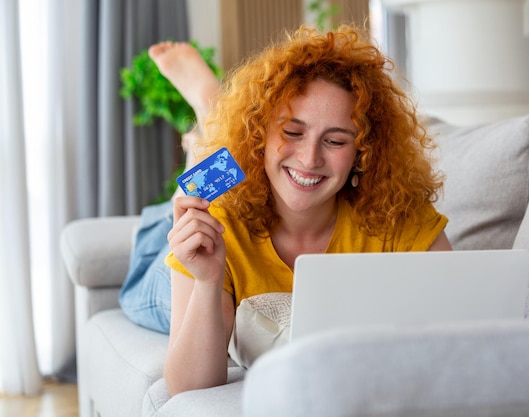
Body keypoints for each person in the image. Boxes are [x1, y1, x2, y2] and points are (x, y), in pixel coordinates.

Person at [162, 24, 451, 396]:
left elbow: (463, 336)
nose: (310, 158)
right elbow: (187, 388)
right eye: (293, 133)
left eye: (334, 140)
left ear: (363, 152)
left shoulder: (398, 216)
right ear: (259, 134)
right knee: (154, 282)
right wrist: (206, 281)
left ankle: (208, 122)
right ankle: (207, 110)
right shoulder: (217, 220)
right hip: (185, 239)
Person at [118, 41, 222, 333]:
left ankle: (205, 142)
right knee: (181, 247)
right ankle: (208, 134)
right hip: (166, 237)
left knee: (191, 221)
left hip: (185, 223)